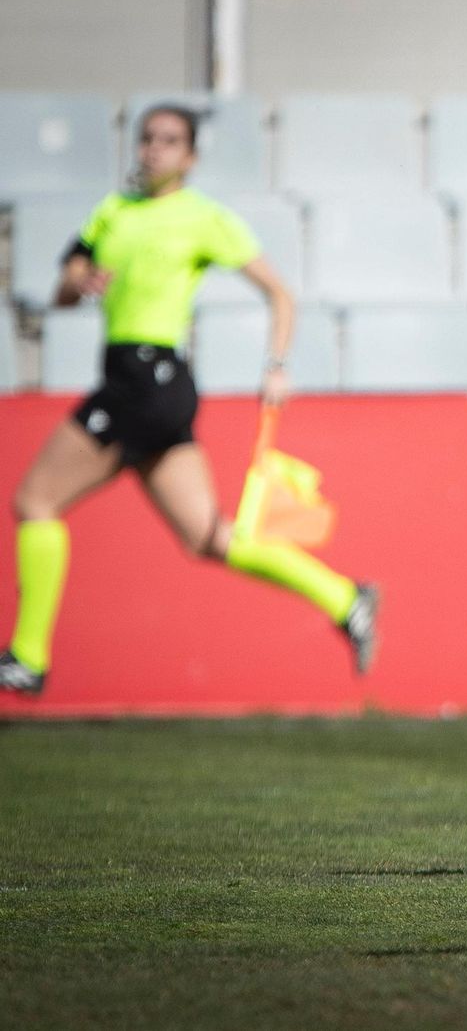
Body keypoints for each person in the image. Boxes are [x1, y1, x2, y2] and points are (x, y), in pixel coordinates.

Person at [0, 105, 379, 696]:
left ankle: (28, 654)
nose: (154, 150)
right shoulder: (114, 210)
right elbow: (69, 284)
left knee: (35, 500)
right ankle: (345, 597)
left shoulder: (202, 218)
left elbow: (280, 294)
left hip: (144, 380)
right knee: (207, 536)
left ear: (191, 156)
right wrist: (75, 279)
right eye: (147, 139)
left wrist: (276, 367)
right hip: (149, 386)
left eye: (170, 141)